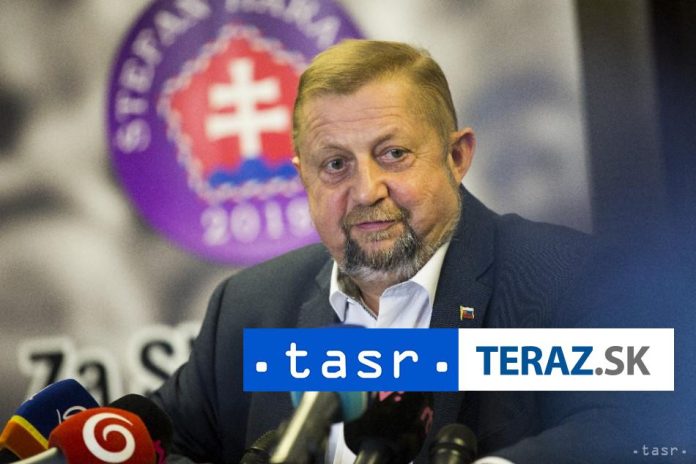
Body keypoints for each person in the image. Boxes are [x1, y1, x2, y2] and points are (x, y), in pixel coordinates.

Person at [152, 40, 625, 463]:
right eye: (335, 164)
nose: (366, 191)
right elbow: (160, 443)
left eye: (393, 154)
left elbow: (629, 426)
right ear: (304, 178)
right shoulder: (250, 307)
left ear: (456, 157)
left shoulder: (566, 277)